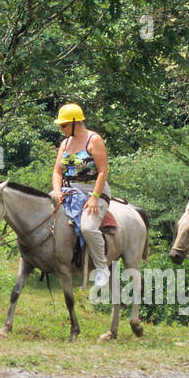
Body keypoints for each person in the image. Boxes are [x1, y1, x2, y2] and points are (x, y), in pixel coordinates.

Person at [50, 103, 111, 290]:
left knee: (88, 227)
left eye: (64, 125)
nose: (61, 129)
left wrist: (94, 197)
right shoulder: (65, 143)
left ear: (76, 123)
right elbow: (57, 173)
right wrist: (57, 191)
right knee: (42, 210)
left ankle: (102, 268)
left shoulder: (94, 140)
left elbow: (103, 171)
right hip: (69, 189)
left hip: (94, 189)